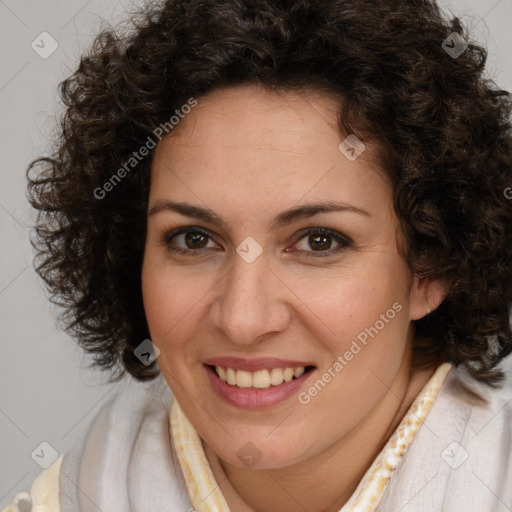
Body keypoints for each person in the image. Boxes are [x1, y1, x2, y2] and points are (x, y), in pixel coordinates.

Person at [3, 0, 512, 510]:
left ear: (432, 266)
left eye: (318, 241)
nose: (242, 319)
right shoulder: (82, 489)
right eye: (194, 239)